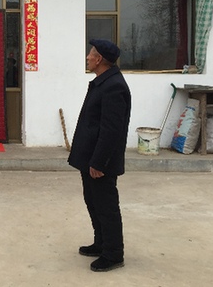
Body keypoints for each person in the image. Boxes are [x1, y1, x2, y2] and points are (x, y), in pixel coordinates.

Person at [68, 39, 131, 272]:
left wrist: (99, 162)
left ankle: (113, 254)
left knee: (106, 206)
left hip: (100, 161)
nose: (87, 57)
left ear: (99, 59)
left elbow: (111, 130)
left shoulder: (114, 86)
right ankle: (101, 243)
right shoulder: (102, 82)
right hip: (90, 157)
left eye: (90, 54)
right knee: (93, 201)